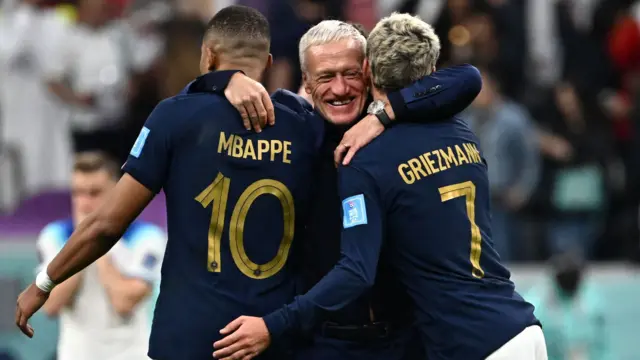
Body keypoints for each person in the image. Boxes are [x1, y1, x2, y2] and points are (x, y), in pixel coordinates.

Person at [213, 13, 547, 360]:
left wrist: (383, 115)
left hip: (406, 340)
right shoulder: (293, 131)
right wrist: (227, 80)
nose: (340, 88)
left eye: (350, 74)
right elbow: (207, 115)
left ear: (369, 71)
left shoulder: (381, 142)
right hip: (329, 343)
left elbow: (466, 77)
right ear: (307, 84)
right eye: (326, 76)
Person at [15, 5, 324, 360]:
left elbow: (106, 223)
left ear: (208, 56)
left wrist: (44, 283)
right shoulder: (305, 128)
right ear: (269, 63)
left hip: (188, 337)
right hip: (271, 337)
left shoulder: (175, 116)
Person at [36, 152, 166, 360]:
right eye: (77, 193)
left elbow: (123, 303)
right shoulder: (53, 236)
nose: (84, 203)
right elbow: (51, 305)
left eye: (94, 193)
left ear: (116, 192)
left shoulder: (147, 238)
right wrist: (81, 240)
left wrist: (96, 241)